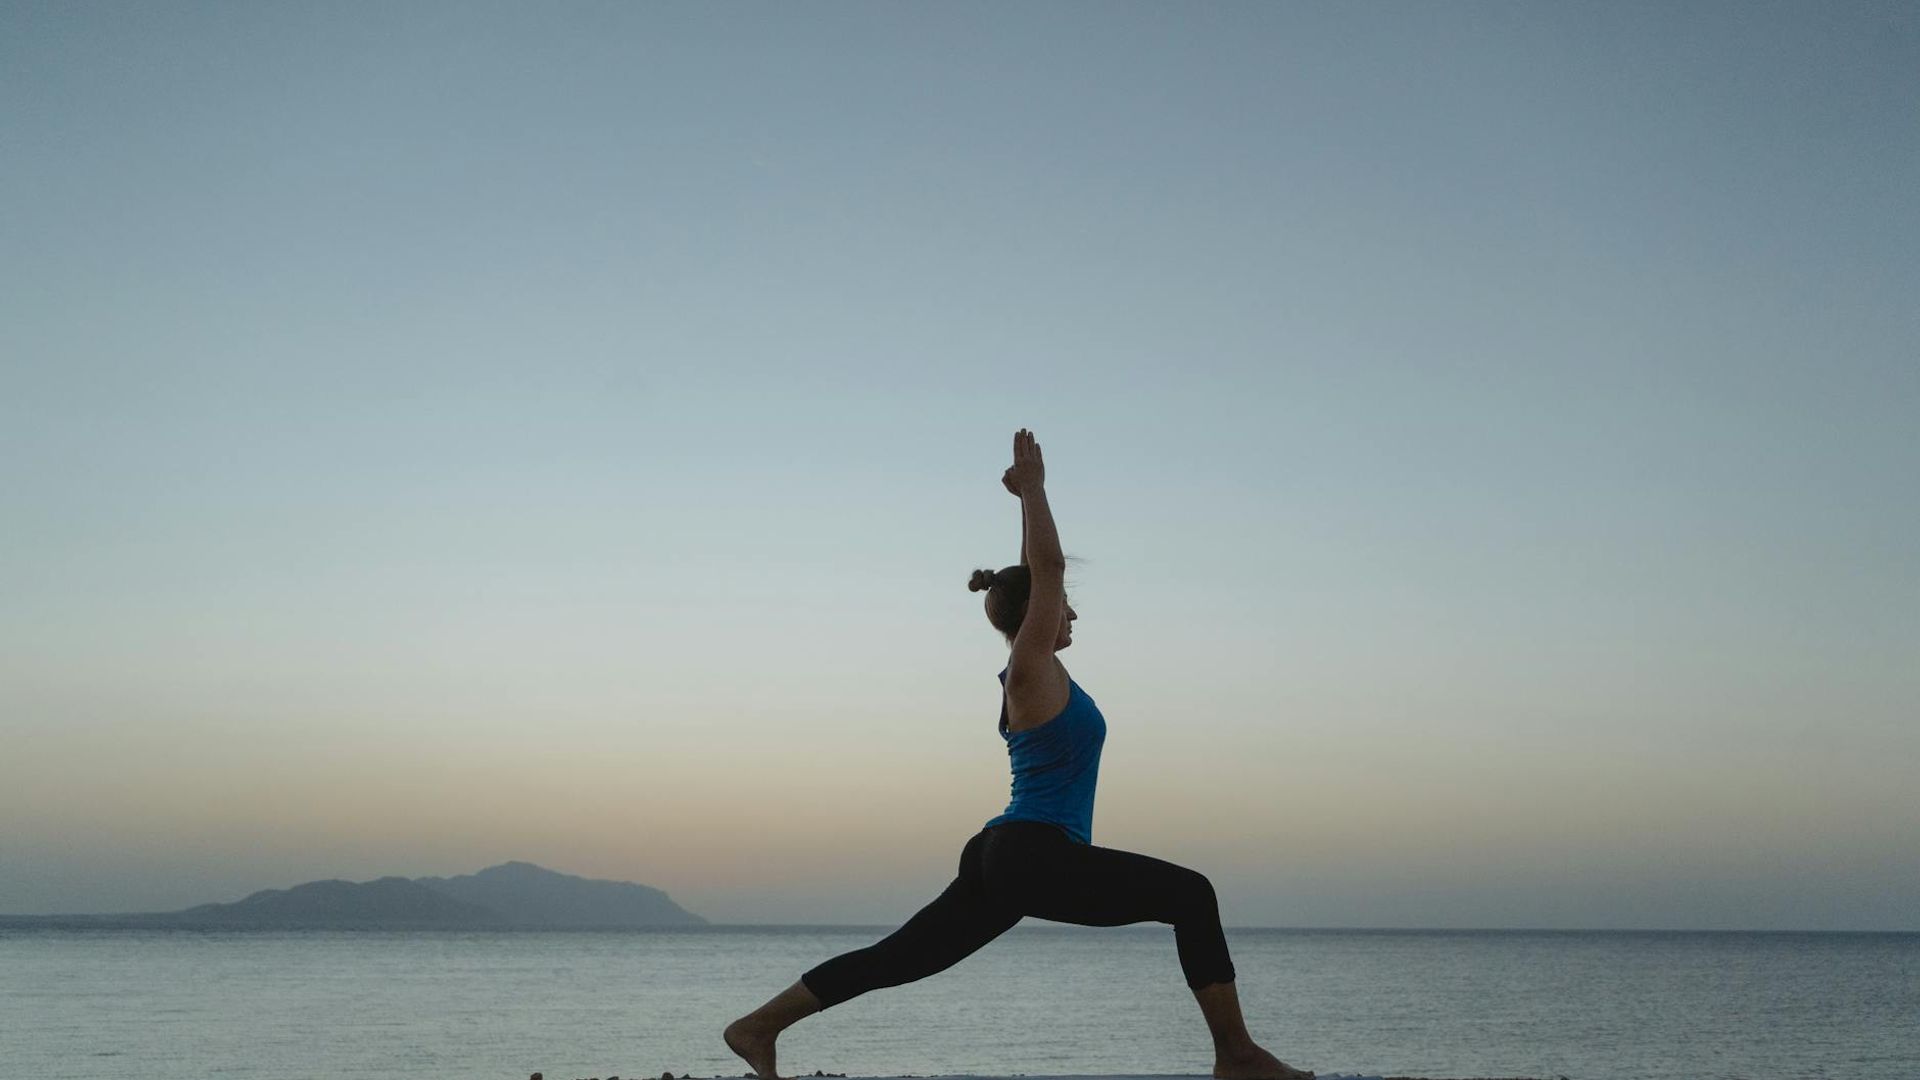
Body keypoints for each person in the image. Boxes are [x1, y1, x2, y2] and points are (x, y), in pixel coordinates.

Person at [724, 429, 1312, 1080]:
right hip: (1034, 853)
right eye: (1064, 609)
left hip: (1006, 855)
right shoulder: (1028, 667)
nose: (1073, 617)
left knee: (898, 957)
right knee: (1192, 896)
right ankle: (1237, 1056)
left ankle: (757, 1026)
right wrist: (1035, 490)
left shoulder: (1035, 673)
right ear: (1038, 614)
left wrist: (1022, 512)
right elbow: (1048, 573)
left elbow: (1035, 578)